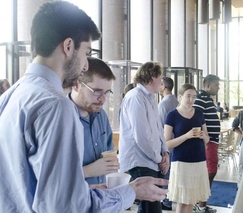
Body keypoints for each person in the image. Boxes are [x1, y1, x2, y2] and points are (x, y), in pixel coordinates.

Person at [0, 2, 168, 212]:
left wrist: (84, 191)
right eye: (86, 52)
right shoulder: (56, 105)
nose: (86, 65)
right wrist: (130, 192)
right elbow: (67, 206)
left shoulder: (9, 97)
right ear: (68, 46)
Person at [119, 61, 170, 213]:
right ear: (152, 77)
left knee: (150, 206)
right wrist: (159, 159)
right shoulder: (135, 97)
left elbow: (159, 130)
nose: (161, 81)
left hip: (153, 159)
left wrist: (165, 152)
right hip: (140, 160)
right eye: (160, 77)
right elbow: (142, 137)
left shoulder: (150, 98)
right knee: (152, 207)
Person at [68, 57, 119, 186]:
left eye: (107, 93)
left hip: (100, 200)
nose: (103, 99)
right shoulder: (60, 119)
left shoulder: (101, 115)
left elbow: (108, 152)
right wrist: (87, 171)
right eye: (97, 91)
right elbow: (49, 177)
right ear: (76, 85)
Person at [164, 83, 211, 213]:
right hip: (181, 161)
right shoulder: (172, 115)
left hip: (199, 160)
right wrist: (186, 136)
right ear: (180, 96)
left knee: (191, 199)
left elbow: (207, 140)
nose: (191, 100)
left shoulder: (199, 114)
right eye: (188, 96)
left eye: (194, 97)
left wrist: (203, 136)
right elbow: (167, 143)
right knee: (182, 200)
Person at [193, 74, 221, 213]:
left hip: (211, 142)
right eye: (217, 85)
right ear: (208, 85)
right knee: (210, 172)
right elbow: (195, 119)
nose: (218, 88)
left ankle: (201, 204)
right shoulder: (201, 99)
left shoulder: (206, 99)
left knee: (209, 172)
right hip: (207, 143)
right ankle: (200, 205)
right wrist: (203, 140)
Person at [158, 76, 179, 211]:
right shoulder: (177, 102)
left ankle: (166, 200)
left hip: (166, 143)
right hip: (177, 142)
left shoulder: (163, 104)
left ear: (164, 87)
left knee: (165, 172)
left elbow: (159, 126)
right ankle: (171, 198)